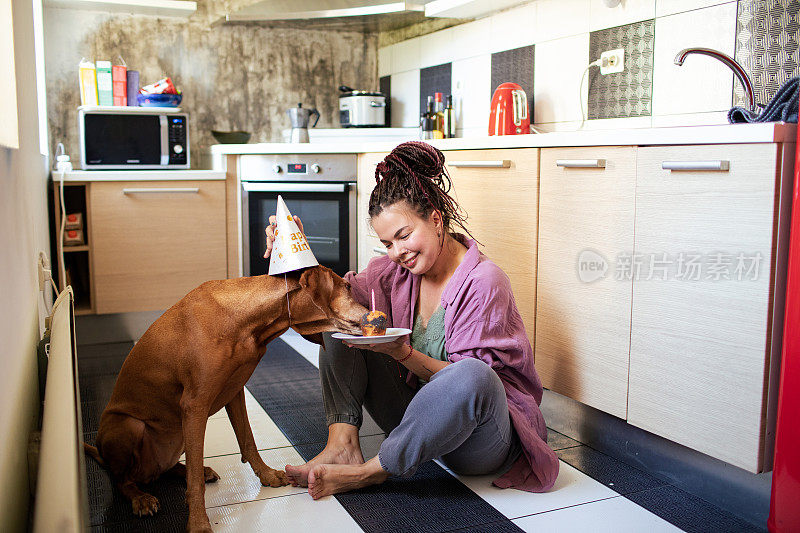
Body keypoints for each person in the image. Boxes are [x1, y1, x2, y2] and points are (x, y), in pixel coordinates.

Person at [263, 141, 558, 500]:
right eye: (387, 242)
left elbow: (471, 388)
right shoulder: (392, 272)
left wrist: (401, 353)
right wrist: (293, 253)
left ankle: (372, 472)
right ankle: (342, 444)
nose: (397, 252)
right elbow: (331, 299)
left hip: (479, 438)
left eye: (403, 236)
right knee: (343, 323)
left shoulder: (484, 282)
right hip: (416, 422)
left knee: (473, 374)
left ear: (435, 218)